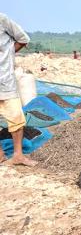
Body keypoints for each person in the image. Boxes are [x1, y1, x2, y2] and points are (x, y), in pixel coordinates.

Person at [0, 13, 37, 166]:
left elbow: (23, 39)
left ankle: (18, 155)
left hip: (5, 80)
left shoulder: (2, 20)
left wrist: (8, 55)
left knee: (16, 117)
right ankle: (0, 154)